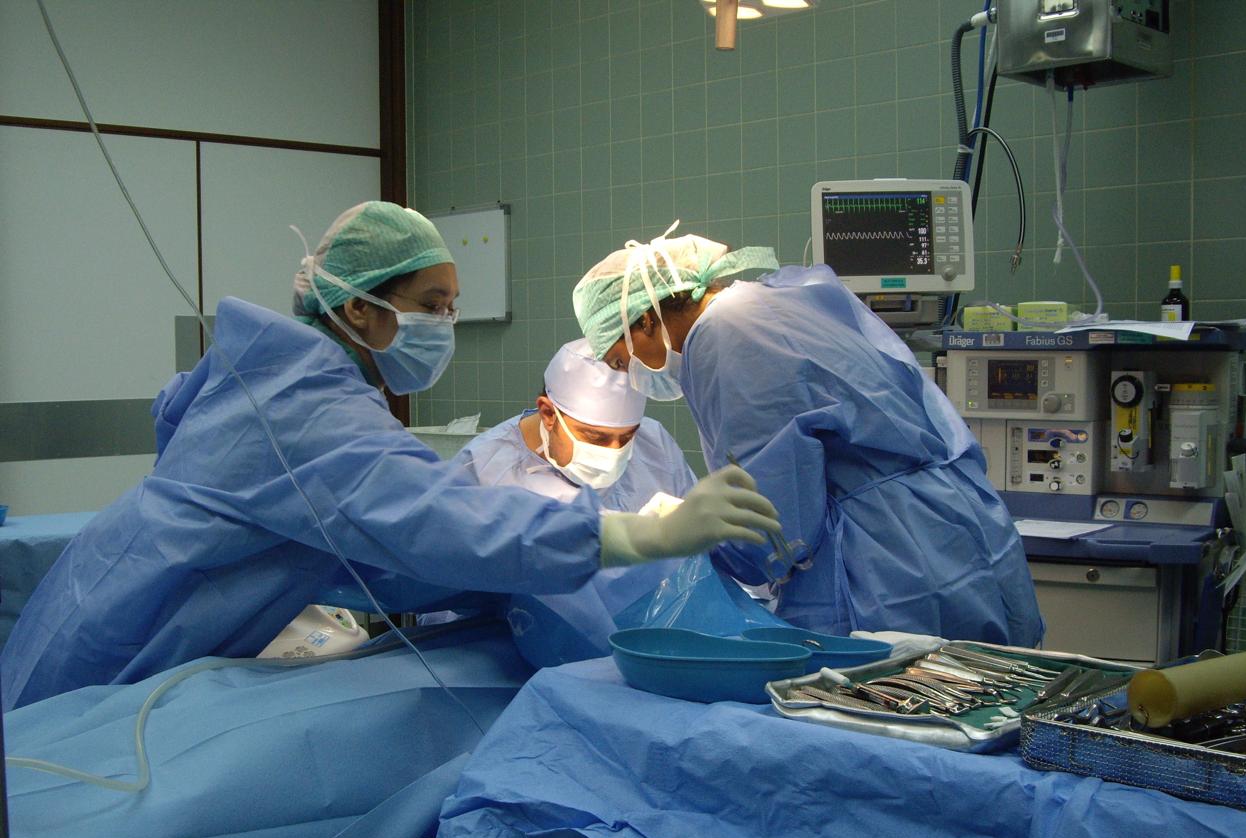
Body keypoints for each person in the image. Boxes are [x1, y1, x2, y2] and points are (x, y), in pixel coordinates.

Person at [0, 203, 781, 710]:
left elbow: (389, 552)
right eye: (431, 306)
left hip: (106, 604)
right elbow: (432, 518)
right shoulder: (305, 411)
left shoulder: (290, 379)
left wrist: (507, 570)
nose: (446, 321)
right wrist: (630, 537)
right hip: (117, 644)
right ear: (356, 307)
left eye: (453, 305)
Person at [570, 225, 1043, 645]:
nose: (632, 376)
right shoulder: (776, 302)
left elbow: (769, 511)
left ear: (646, 320)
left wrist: (687, 531)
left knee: (888, 723)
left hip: (894, 565)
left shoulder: (724, 336)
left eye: (620, 359)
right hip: (956, 528)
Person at [450, 338, 697, 666]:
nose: (614, 451)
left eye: (627, 437)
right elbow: (456, 590)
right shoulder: (484, 469)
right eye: (596, 438)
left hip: (650, 647)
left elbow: (699, 555)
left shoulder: (654, 444)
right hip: (513, 655)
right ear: (548, 413)